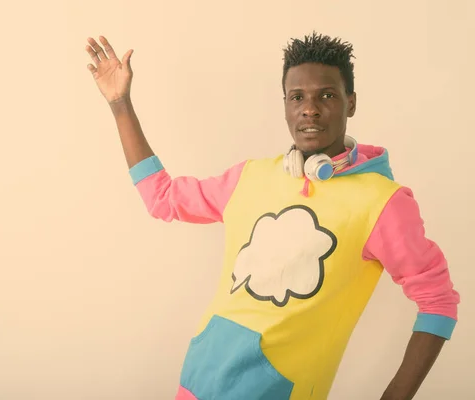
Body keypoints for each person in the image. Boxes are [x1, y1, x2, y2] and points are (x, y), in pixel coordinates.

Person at [84, 32, 460, 400]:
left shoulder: (383, 202)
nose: (309, 109)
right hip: (198, 382)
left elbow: (438, 302)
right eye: (297, 97)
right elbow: (161, 197)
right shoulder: (249, 177)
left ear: (351, 102)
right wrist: (120, 104)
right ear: (285, 105)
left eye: (326, 95)